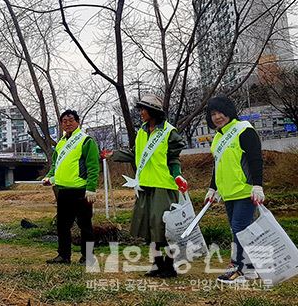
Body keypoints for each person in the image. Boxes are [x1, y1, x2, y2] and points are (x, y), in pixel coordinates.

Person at [106, 95, 186, 278]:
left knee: (165, 228)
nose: (141, 113)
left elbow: (173, 159)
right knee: (150, 227)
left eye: (143, 109)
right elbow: (136, 154)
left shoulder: (169, 132)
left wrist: (178, 176)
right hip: (145, 187)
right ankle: (157, 264)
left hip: (163, 186)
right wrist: (113, 154)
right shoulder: (142, 132)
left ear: (153, 111)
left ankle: (169, 265)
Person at [204, 95, 264, 284]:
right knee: (237, 230)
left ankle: (238, 267)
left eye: (220, 112)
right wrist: (212, 189)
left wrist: (258, 185)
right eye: (213, 114)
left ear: (229, 111)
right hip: (228, 193)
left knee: (240, 229)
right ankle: (249, 269)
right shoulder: (218, 137)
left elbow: (256, 160)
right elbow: (218, 166)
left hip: (245, 191)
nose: (217, 117)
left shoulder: (244, 130)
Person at [42, 109, 100, 265]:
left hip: (82, 190)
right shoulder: (61, 143)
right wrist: (50, 177)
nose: (67, 124)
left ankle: (88, 257)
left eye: (70, 120)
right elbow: (56, 165)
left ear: (77, 122)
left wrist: (92, 188)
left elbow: (93, 166)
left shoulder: (86, 140)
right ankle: (64, 255)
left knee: (85, 225)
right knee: (62, 225)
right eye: (64, 121)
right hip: (64, 191)